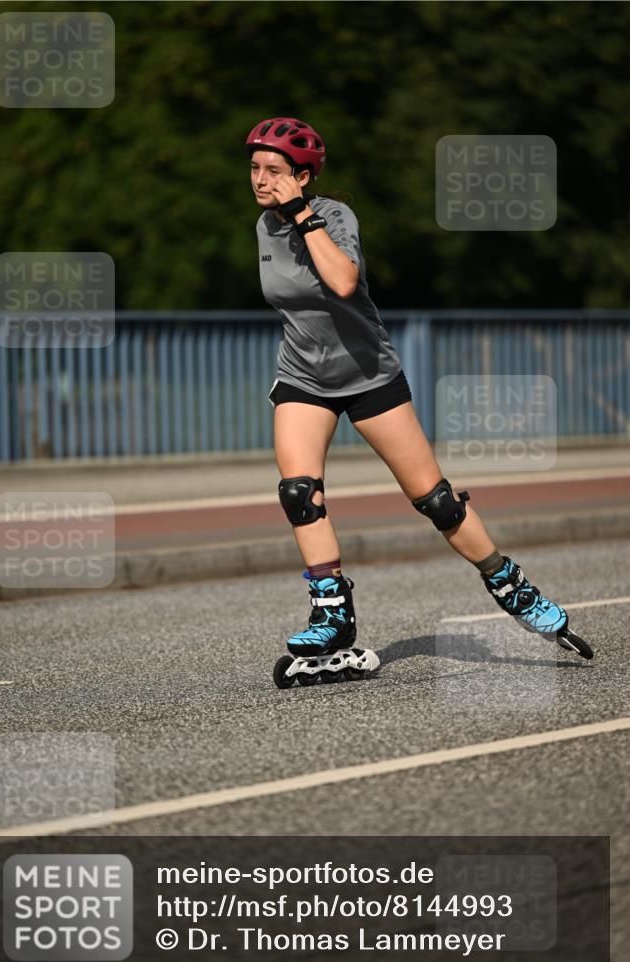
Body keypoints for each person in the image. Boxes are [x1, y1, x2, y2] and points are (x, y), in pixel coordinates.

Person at [247, 116, 589, 671]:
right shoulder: (264, 227)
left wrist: (303, 215)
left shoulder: (334, 216)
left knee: (437, 501)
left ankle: (510, 584)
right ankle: (331, 611)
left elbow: (342, 282)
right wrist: (284, 215)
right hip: (304, 377)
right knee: (299, 493)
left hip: (370, 376)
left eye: (274, 171)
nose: (261, 180)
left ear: (303, 177)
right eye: (255, 168)